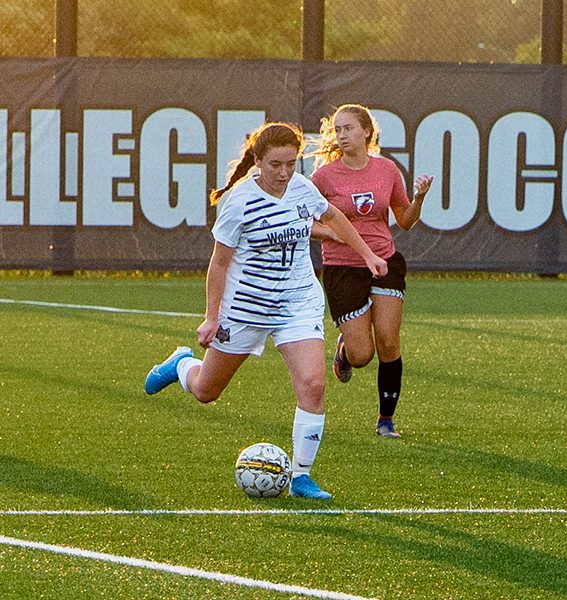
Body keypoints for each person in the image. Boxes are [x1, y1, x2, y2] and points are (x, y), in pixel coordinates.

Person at [143, 121, 387, 500]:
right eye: (276, 165)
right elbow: (220, 264)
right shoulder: (238, 202)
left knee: (314, 384)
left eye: (291, 164)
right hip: (246, 307)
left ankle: (301, 476)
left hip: (297, 302)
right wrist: (211, 317)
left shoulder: (302, 189)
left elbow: (334, 218)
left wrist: (367, 254)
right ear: (257, 161)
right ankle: (180, 364)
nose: (284, 173)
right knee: (207, 391)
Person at [309, 103, 433, 439]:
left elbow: (404, 220)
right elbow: (299, 222)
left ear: (367, 131)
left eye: (348, 128)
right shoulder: (323, 177)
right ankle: (345, 351)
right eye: (337, 129)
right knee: (363, 355)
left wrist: (419, 198)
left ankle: (386, 420)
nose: (341, 135)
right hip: (343, 268)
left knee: (389, 344)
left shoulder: (387, 170)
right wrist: (331, 232)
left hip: (384, 261)